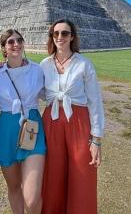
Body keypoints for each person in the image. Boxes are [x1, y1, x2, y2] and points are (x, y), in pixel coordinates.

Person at [40, 18, 105, 214]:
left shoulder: (84, 64)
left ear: (72, 37)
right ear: (52, 36)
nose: (60, 37)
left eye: (65, 33)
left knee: (82, 171)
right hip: (51, 120)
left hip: (78, 120)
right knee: (53, 172)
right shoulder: (44, 64)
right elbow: (33, 88)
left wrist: (97, 140)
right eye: (56, 33)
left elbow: (95, 102)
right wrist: (5, 65)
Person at [0, 29, 46, 214]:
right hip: (7, 128)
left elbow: (51, 94)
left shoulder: (37, 70)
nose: (16, 44)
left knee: (32, 196)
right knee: (14, 188)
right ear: (4, 48)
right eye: (11, 42)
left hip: (32, 127)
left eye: (19, 40)